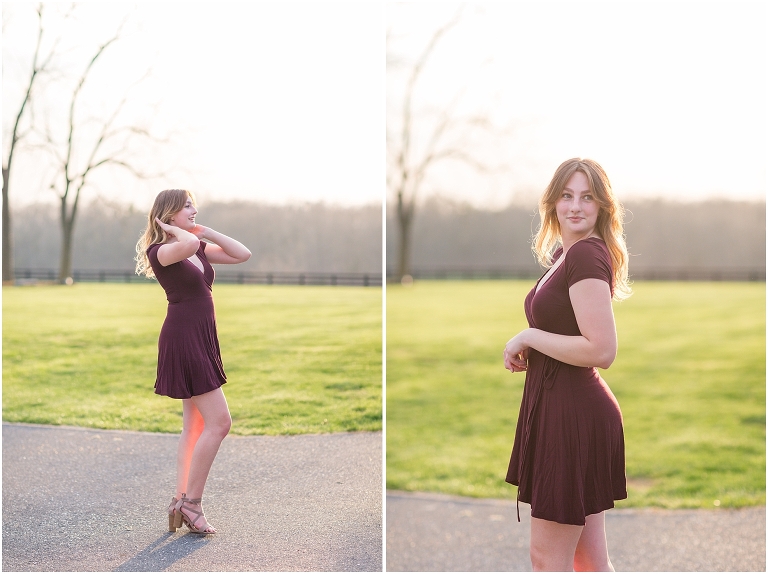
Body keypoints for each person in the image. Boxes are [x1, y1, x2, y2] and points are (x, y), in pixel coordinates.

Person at [502, 158, 631, 571]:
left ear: (603, 206)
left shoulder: (586, 257)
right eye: (567, 195)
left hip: (573, 417)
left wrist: (528, 337)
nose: (575, 206)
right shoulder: (566, 253)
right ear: (553, 202)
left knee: (547, 558)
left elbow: (601, 350)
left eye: (587, 197)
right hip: (567, 412)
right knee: (591, 561)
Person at [135, 189, 251, 534]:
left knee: (195, 427)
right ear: (168, 213)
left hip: (199, 338)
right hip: (184, 339)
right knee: (220, 423)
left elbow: (242, 254)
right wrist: (175, 231)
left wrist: (209, 233)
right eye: (187, 206)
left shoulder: (194, 245)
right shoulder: (161, 251)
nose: (194, 209)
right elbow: (184, 246)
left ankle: (179, 498)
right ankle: (192, 504)